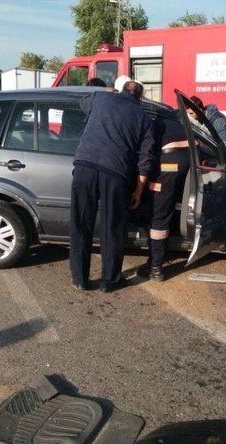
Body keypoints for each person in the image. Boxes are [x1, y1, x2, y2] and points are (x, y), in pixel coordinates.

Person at [69, 80, 155, 292]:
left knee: (81, 223)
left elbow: (83, 102)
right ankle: (110, 280)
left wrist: (104, 92)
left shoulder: (101, 98)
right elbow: (146, 158)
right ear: (140, 98)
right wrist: (138, 189)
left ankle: (80, 279)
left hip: (84, 166)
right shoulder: (143, 117)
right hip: (115, 173)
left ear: (121, 90)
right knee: (112, 227)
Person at [140, 111, 191, 281]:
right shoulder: (178, 123)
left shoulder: (153, 123)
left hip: (168, 165)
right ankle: (160, 254)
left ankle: (156, 267)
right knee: (169, 206)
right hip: (185, 163)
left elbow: (147, 154)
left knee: (158, 214)